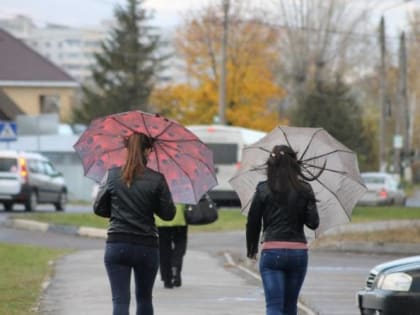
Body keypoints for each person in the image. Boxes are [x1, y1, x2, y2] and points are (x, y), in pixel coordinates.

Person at [94, 133, 176, 315]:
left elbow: (98, 208)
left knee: (120, 301)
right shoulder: (157, 179)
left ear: (127, 150)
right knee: (144, 299)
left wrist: (117, 211)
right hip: (146, 246)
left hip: (117, 244)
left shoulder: (112, 175)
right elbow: (168, 215)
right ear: (147, 151)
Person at [246, 144, 323, 315]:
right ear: (295, 165)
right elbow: (313, 223)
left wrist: (251, 249)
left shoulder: (263, 188)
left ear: (271, 164)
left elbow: (253, 221)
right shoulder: (304, 189)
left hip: (272, 253)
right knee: (290, 307)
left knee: (274, 306)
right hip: (298, 253)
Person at [155, 204, 188, 289]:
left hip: (161, 220)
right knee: (180, 246)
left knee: (164, 250)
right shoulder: (183, 190)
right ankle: (175, 268)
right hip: (180, 219)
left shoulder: (159, 189)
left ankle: (167, 279)